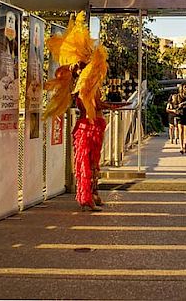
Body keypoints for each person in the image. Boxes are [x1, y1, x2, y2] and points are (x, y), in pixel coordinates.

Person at [44, 12, 125, 212]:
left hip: (95, 127)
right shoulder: (81, 89)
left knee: (94, 164)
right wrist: (109, 106)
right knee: (85, 165)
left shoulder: (92, 86)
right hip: (86, 129)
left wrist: (113, 105)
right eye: (84, 65)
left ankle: (94, 194)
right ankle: (85, 198)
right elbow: (90, 106)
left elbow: (97, 104)